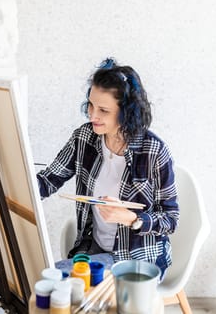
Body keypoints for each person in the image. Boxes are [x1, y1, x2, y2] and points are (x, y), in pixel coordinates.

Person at [37, 58, 179, 279]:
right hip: (94, 249)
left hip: (139, 258)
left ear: (126, 112)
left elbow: (171, 219)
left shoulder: (154, 151)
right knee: (52, 280)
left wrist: (132, 219)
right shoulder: (84, 137)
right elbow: (47, 181)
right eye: (91, 105)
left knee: (60, 279)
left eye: (103, 110)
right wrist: (12, 188)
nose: (92, 115)